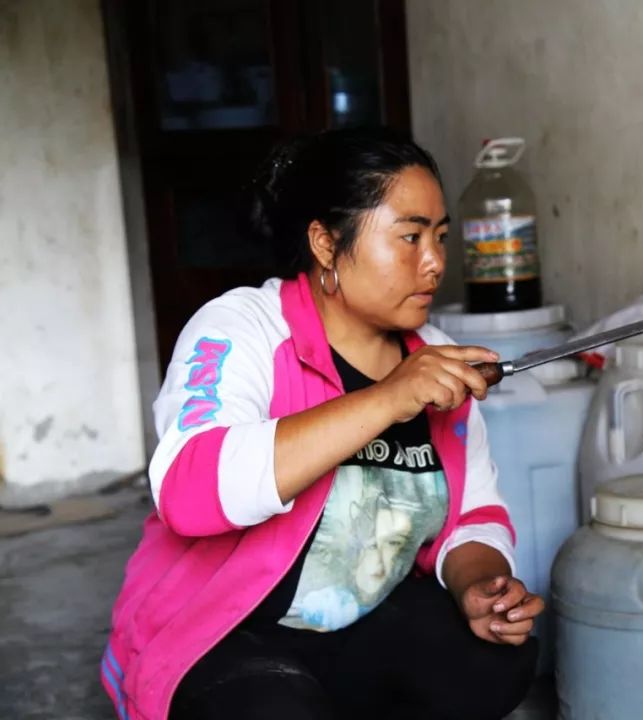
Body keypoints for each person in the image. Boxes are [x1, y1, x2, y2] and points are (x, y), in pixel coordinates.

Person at [100, 128, 543, 720]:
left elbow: (472, 514)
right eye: (409, 237)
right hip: (229, 628)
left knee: (491, 662)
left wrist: (481, 584)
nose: (435, 262)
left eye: (439, 237)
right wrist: (388, 399)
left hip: (351, 615)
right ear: (327, 244)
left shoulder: (435, 357)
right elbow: (189, 490)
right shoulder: (243, 327)